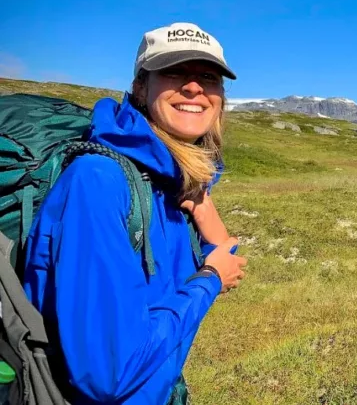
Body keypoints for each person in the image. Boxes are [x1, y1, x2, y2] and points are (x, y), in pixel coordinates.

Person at [21, 22, 247, 404]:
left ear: (221, 96)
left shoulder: (170, 180)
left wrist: (209, 219)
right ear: (141, 87)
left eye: (208, 77)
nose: (193, 87)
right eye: (174, 71)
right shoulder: (99, 182)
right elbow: (108, 373)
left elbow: (225, 264)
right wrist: (208, 279)